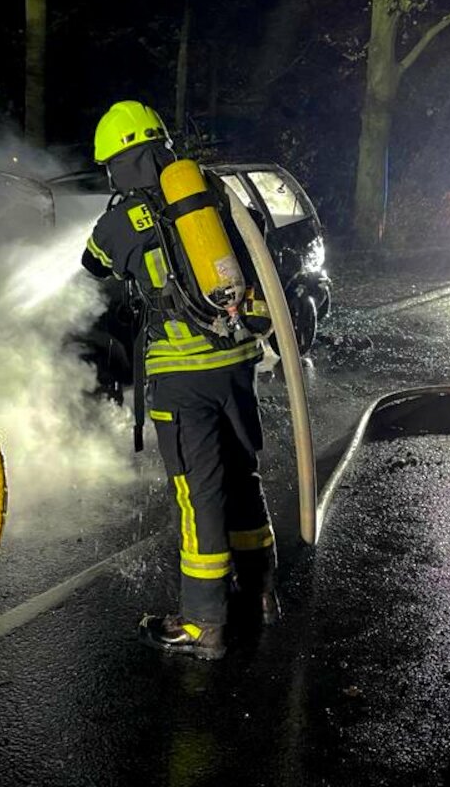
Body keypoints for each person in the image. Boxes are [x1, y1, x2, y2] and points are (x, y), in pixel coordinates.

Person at [81, 100, 277, 660]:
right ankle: (262, 593)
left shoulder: (121, 218)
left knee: (200, 496)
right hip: (236, 361)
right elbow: (256, 237)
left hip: (181, 377)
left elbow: (95, 264)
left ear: (117, 161)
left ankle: (203, 624)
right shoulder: (209, 191)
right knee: (243, 476)